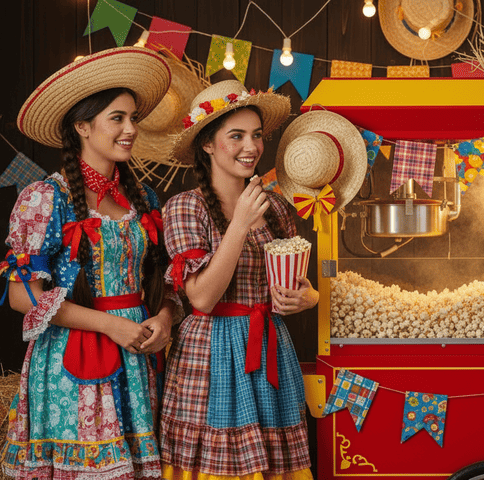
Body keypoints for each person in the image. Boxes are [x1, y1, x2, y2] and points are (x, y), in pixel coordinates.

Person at [0, 46, 177, 479]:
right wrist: (111, 325)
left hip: (136, 356)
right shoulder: (45, 198)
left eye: (133, 117)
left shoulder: (145, 198)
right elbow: (23, 298)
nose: (131, 129)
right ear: (82, 126)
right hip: (73, 363)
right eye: (117, 118)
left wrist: (165, 317)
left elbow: (167, 278)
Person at [159, 80, 318, 480]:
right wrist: (240, 224)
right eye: (236, 136)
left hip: (269, 349)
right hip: (210, 354)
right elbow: (202, 299)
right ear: (207, 145)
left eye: (257, 135)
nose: (251, 147)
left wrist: (308, 298)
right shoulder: (185, 207)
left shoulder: (276, 206)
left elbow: (295, 284)